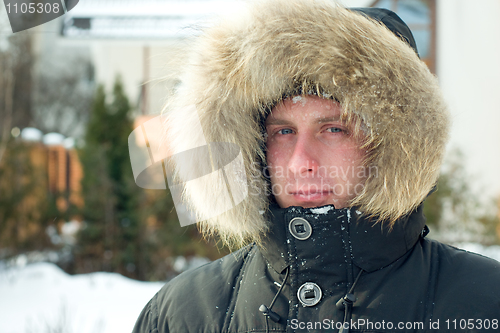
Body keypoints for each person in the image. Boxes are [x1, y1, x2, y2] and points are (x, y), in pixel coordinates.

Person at [133, 0, 500, 332]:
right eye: (283, 132)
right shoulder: (182, 315)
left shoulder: (485, 303)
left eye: (334, 129)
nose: (300, 162)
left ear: (392, 148)